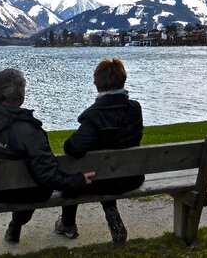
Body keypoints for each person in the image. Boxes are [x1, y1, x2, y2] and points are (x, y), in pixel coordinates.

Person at [0, 68, 95, 244]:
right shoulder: (28, 131)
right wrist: (78, 181)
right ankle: (16, 224)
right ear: (21, 95)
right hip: (24, 191)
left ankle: (15, 227)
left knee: (28, 180)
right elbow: (48, 177)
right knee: (35, 184)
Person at [55, 58, 145, 248]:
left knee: (76, 176)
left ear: (97, 84)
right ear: (123, 81)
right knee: (106, 171)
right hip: (132, 177)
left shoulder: (94, 115)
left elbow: (72, 148)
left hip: (99, 181)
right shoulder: (135, 109)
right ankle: (111, 210)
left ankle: (68, 224)